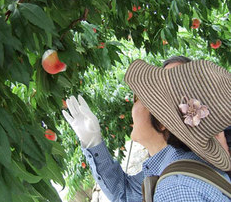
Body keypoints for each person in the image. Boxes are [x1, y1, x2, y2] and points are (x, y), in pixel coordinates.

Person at [62, 58, 231, 201]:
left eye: (138, 100)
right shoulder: (176, 165)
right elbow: (126, 192)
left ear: (162, 120)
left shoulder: (175, 188)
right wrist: (93, 143)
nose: (131, 109)